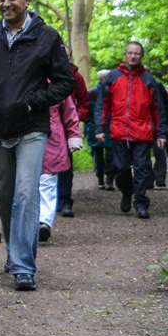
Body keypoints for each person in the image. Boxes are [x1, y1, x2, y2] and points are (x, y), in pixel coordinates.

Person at [0, 0, 75, 292]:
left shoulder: (47, 37)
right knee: (4, 196)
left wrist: (32, 101)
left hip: (31, 129)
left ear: (26, 0)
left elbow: (65, 82)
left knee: (26, 195)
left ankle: (24, 267)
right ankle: (15, 254)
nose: (6, 3)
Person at [99, 42, 166, 220]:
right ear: (125, 54)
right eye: (130, 53)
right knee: (120, 169)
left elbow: (157, 109)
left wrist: (161, 133)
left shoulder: (148, 79)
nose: (133, 56)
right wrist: (100, 128)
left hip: (142, 132)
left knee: (142, 168)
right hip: (119, 132)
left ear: (141, 56)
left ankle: (141, 202)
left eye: (136, 53)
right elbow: (103, 105)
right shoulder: (113, 77)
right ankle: (127, 192)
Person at [38, 95, 83, 242]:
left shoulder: (57, 84)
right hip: (25, 140)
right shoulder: (20, 79)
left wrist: (74, 136)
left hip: (52, 140)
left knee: (47, 181)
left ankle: (44, 222)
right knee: (28, 184)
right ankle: (31, 221)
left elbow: (70, 112)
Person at [55, 49, 90, 218]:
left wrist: (76, 116)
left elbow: (84, 102)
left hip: (67, 127)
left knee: (65, 164)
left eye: (66, 56)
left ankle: (65, 200)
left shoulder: (76, 77)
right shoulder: (44, 74)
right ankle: (50, 200)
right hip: (47, 125)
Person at [86, 71, 115, 191]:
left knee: (110, 155)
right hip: (95, 128)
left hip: (110, 128)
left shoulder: (112, 92)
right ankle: (101, 179)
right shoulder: (92, 93)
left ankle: (109, 180)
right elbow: (88, 113)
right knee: (98, 155)